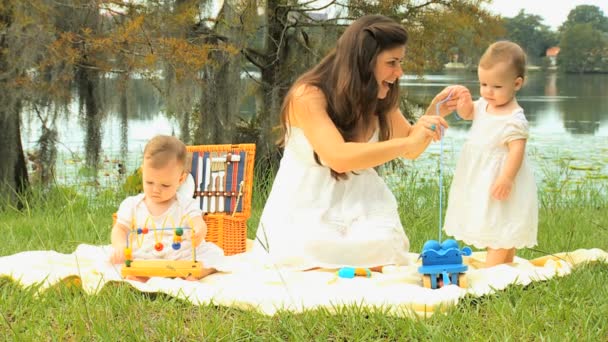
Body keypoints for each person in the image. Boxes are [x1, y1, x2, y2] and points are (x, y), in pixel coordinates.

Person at [253, 15, 471, 270]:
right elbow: (338, 157)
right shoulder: (307, 96)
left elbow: (410, 148)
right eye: (391, 63)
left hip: (358, 203)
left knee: (386, 246)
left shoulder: (377, 94)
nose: (398, 72)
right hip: (306, 206)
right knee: (310, 251)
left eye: (400, 62)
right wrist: (407, 143)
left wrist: (433, 114)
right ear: (363, 62)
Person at [443, 41, 539, 267]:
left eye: (496, 87)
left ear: (516, 83)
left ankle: (491, 274)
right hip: (479, 177)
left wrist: (506, 178)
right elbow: (467, 114)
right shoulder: (484, 104)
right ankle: (506, 266)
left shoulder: (514, 118)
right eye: (483, 84)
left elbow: (517, 151)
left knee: (501, 222)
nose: (487, 91)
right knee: (489, 219)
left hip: (500, 177)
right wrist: (464, 102)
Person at [110, 135, 225, 281]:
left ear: (181, 180)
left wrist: (199, 230)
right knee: (118, 259)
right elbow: (120, 229)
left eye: (165, 185)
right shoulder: (132, 204)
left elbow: (197, 221)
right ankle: (140, 275)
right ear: (142, 171)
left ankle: (191, 273)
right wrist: (120, 245)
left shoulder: (186, 204)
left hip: (180, 257)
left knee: (215, 254)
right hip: (146, 256)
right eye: (149, 182)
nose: (156, 190)